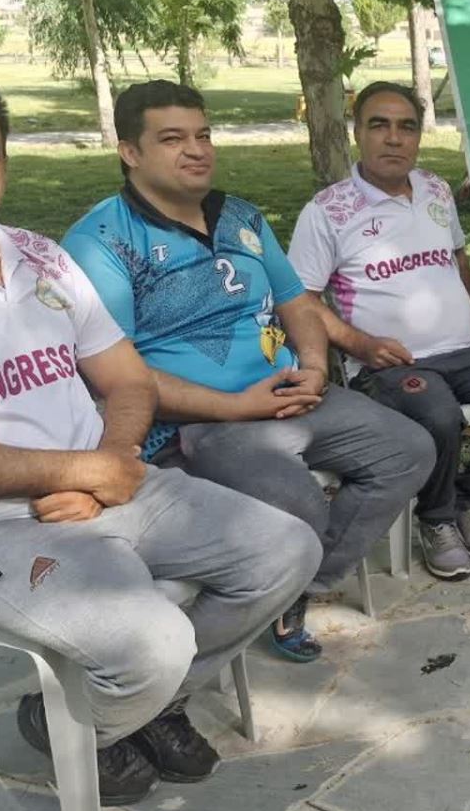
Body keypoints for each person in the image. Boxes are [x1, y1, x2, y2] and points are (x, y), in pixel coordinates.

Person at [0, 79, 320, 803]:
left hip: (115, 486)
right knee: (154, 642)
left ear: (1, 165)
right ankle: (86, 721)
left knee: (288, 549)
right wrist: (83, 471)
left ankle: (141, 706)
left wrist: (108, 466)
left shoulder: (41, 258)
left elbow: (129, 380)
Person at [62, 81, 432, 662]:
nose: (196, 150)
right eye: (173, 139)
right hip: (197, 422)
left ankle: (295, 586)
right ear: (130, 152)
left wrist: (315, 366)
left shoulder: (241, 217)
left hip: (290, 393)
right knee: (300, 503)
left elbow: (297, 304)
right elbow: (115, 373)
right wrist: (238, 406)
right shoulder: (102, 240)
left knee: (410, 449)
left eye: (203, 135)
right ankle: (277, 585)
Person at [286, 82, 470, 580]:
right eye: (379, 125)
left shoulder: (435, 189)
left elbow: (456, 257)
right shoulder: (328, 211)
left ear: (419, 136)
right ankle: (437, 517)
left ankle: (467, 499)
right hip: (388, 363)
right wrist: (359, 343)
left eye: (406, 127)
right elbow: (300, 300)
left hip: (460, 349)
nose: (394, 138)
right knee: (439, 414)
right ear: (357, 132)